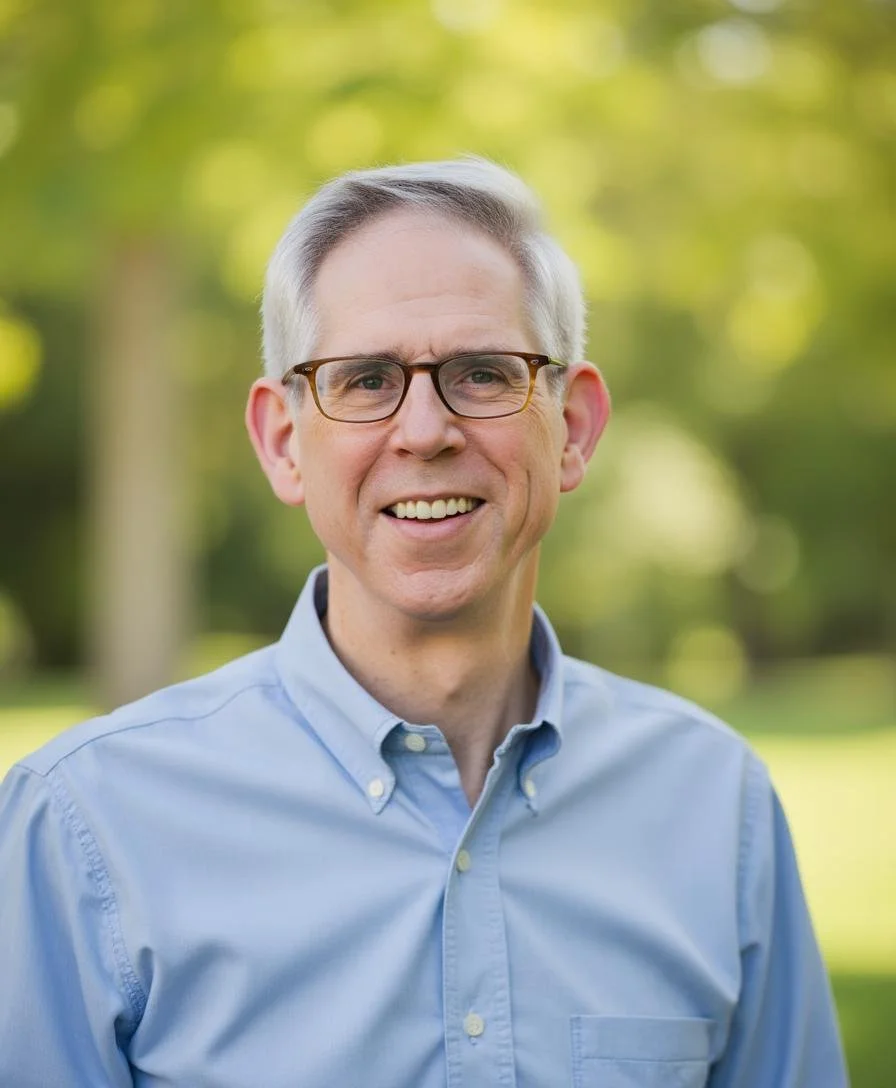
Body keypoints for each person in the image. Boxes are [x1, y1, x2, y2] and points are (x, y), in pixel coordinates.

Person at [0, 157, 847, 1088]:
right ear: (283, 442)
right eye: (365, 380)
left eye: (482, 374)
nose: (425, 431)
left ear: (572, 428)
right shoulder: (86, 827)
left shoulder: (717, 805)